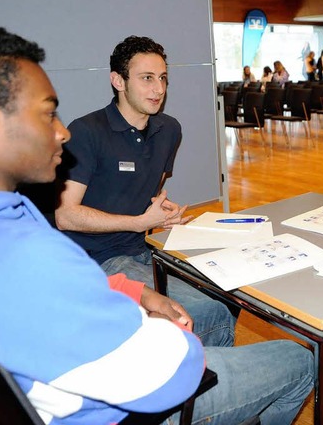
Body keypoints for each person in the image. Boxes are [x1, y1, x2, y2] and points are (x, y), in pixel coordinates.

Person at [0, 24, 314, 425]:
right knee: (298, 359)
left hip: (107, 345)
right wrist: (169, 337)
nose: (61, 131)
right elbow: (163, 376)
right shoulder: (31, 254)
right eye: (47, 114)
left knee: (217, 304)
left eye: (163, 79)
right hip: (129, 407)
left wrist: (134, 290)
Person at [55, 36, 235, 348]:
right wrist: (138, 221)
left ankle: (200, 370)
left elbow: (149, 188)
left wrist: (159, 211)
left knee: (230, 291)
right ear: (118, 81)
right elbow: (65, 215)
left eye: (163, 78)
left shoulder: (169, 130)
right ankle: (198, 383)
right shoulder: (86, 132)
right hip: (96, 259)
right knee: (210, 313)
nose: (159, 89)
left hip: (142, 247)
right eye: (147, 78)